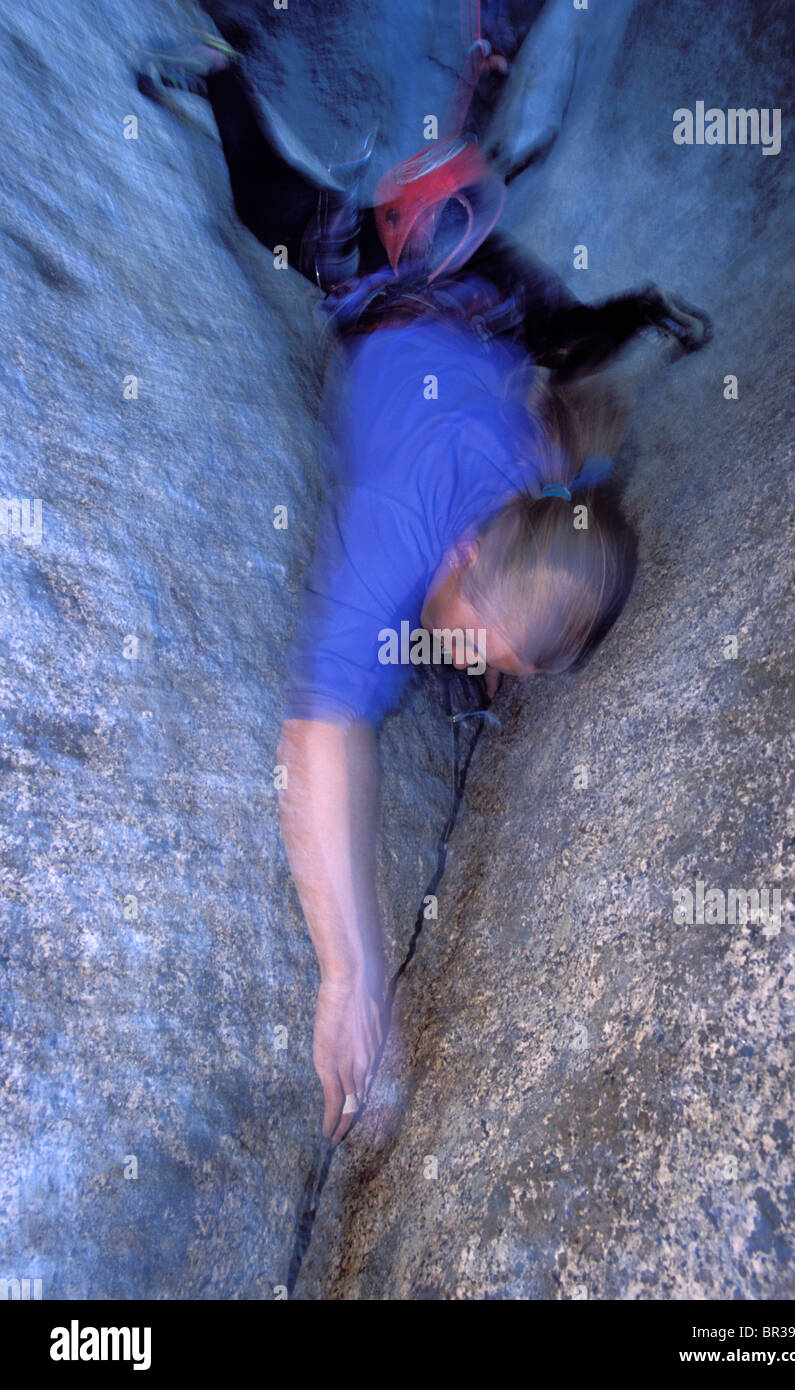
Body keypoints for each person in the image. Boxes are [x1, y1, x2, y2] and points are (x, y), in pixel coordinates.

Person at [135, 29, 711, 1143]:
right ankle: (219, 70)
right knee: (273, 205)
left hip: (479, 311)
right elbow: (320, 734)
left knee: (558, 332)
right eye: (474, 647)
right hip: (388, 273)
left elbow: (575, 467)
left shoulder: (545, 492)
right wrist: (353, 976)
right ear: (459, 561)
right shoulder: (399, 527)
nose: (465, 664)